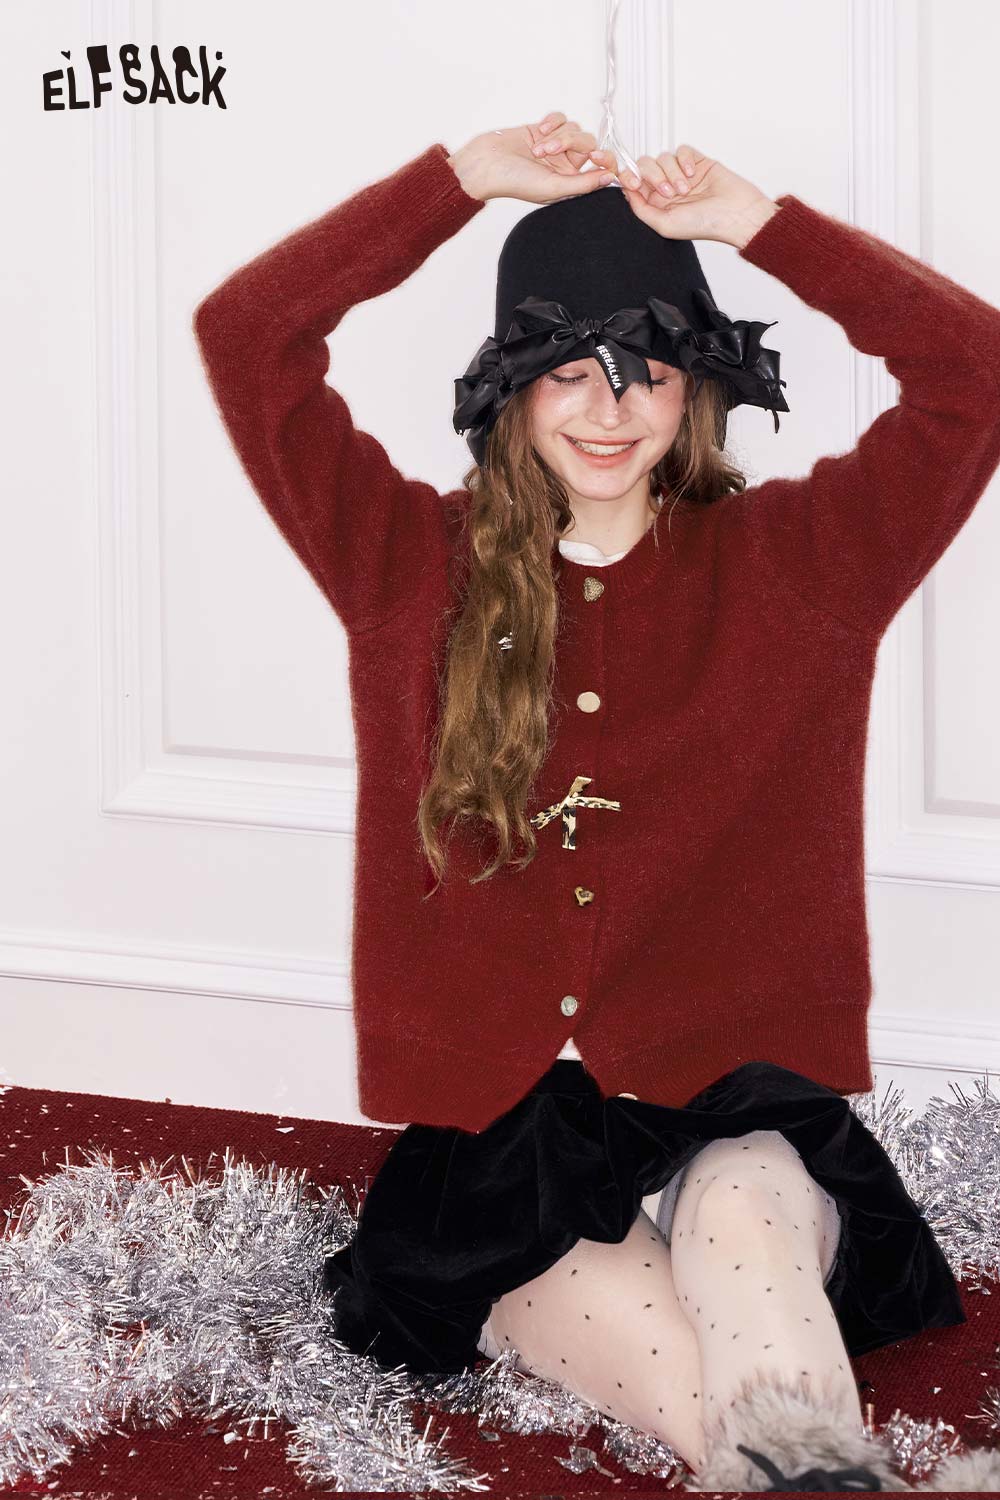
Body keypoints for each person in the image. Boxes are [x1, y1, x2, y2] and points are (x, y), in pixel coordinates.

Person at [193, 114, 1000, 1490]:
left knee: (745, 1240)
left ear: (697, 392)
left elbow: (974, 372)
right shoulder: (406, 566)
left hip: (731, 1101)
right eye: (566, 371)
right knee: (720, 1408)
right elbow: (247, 334)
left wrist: (756, 224)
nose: (607, 410)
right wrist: (455, 183)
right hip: (506, 1148)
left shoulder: (802, 566)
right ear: (510, 393)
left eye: (646, 371)